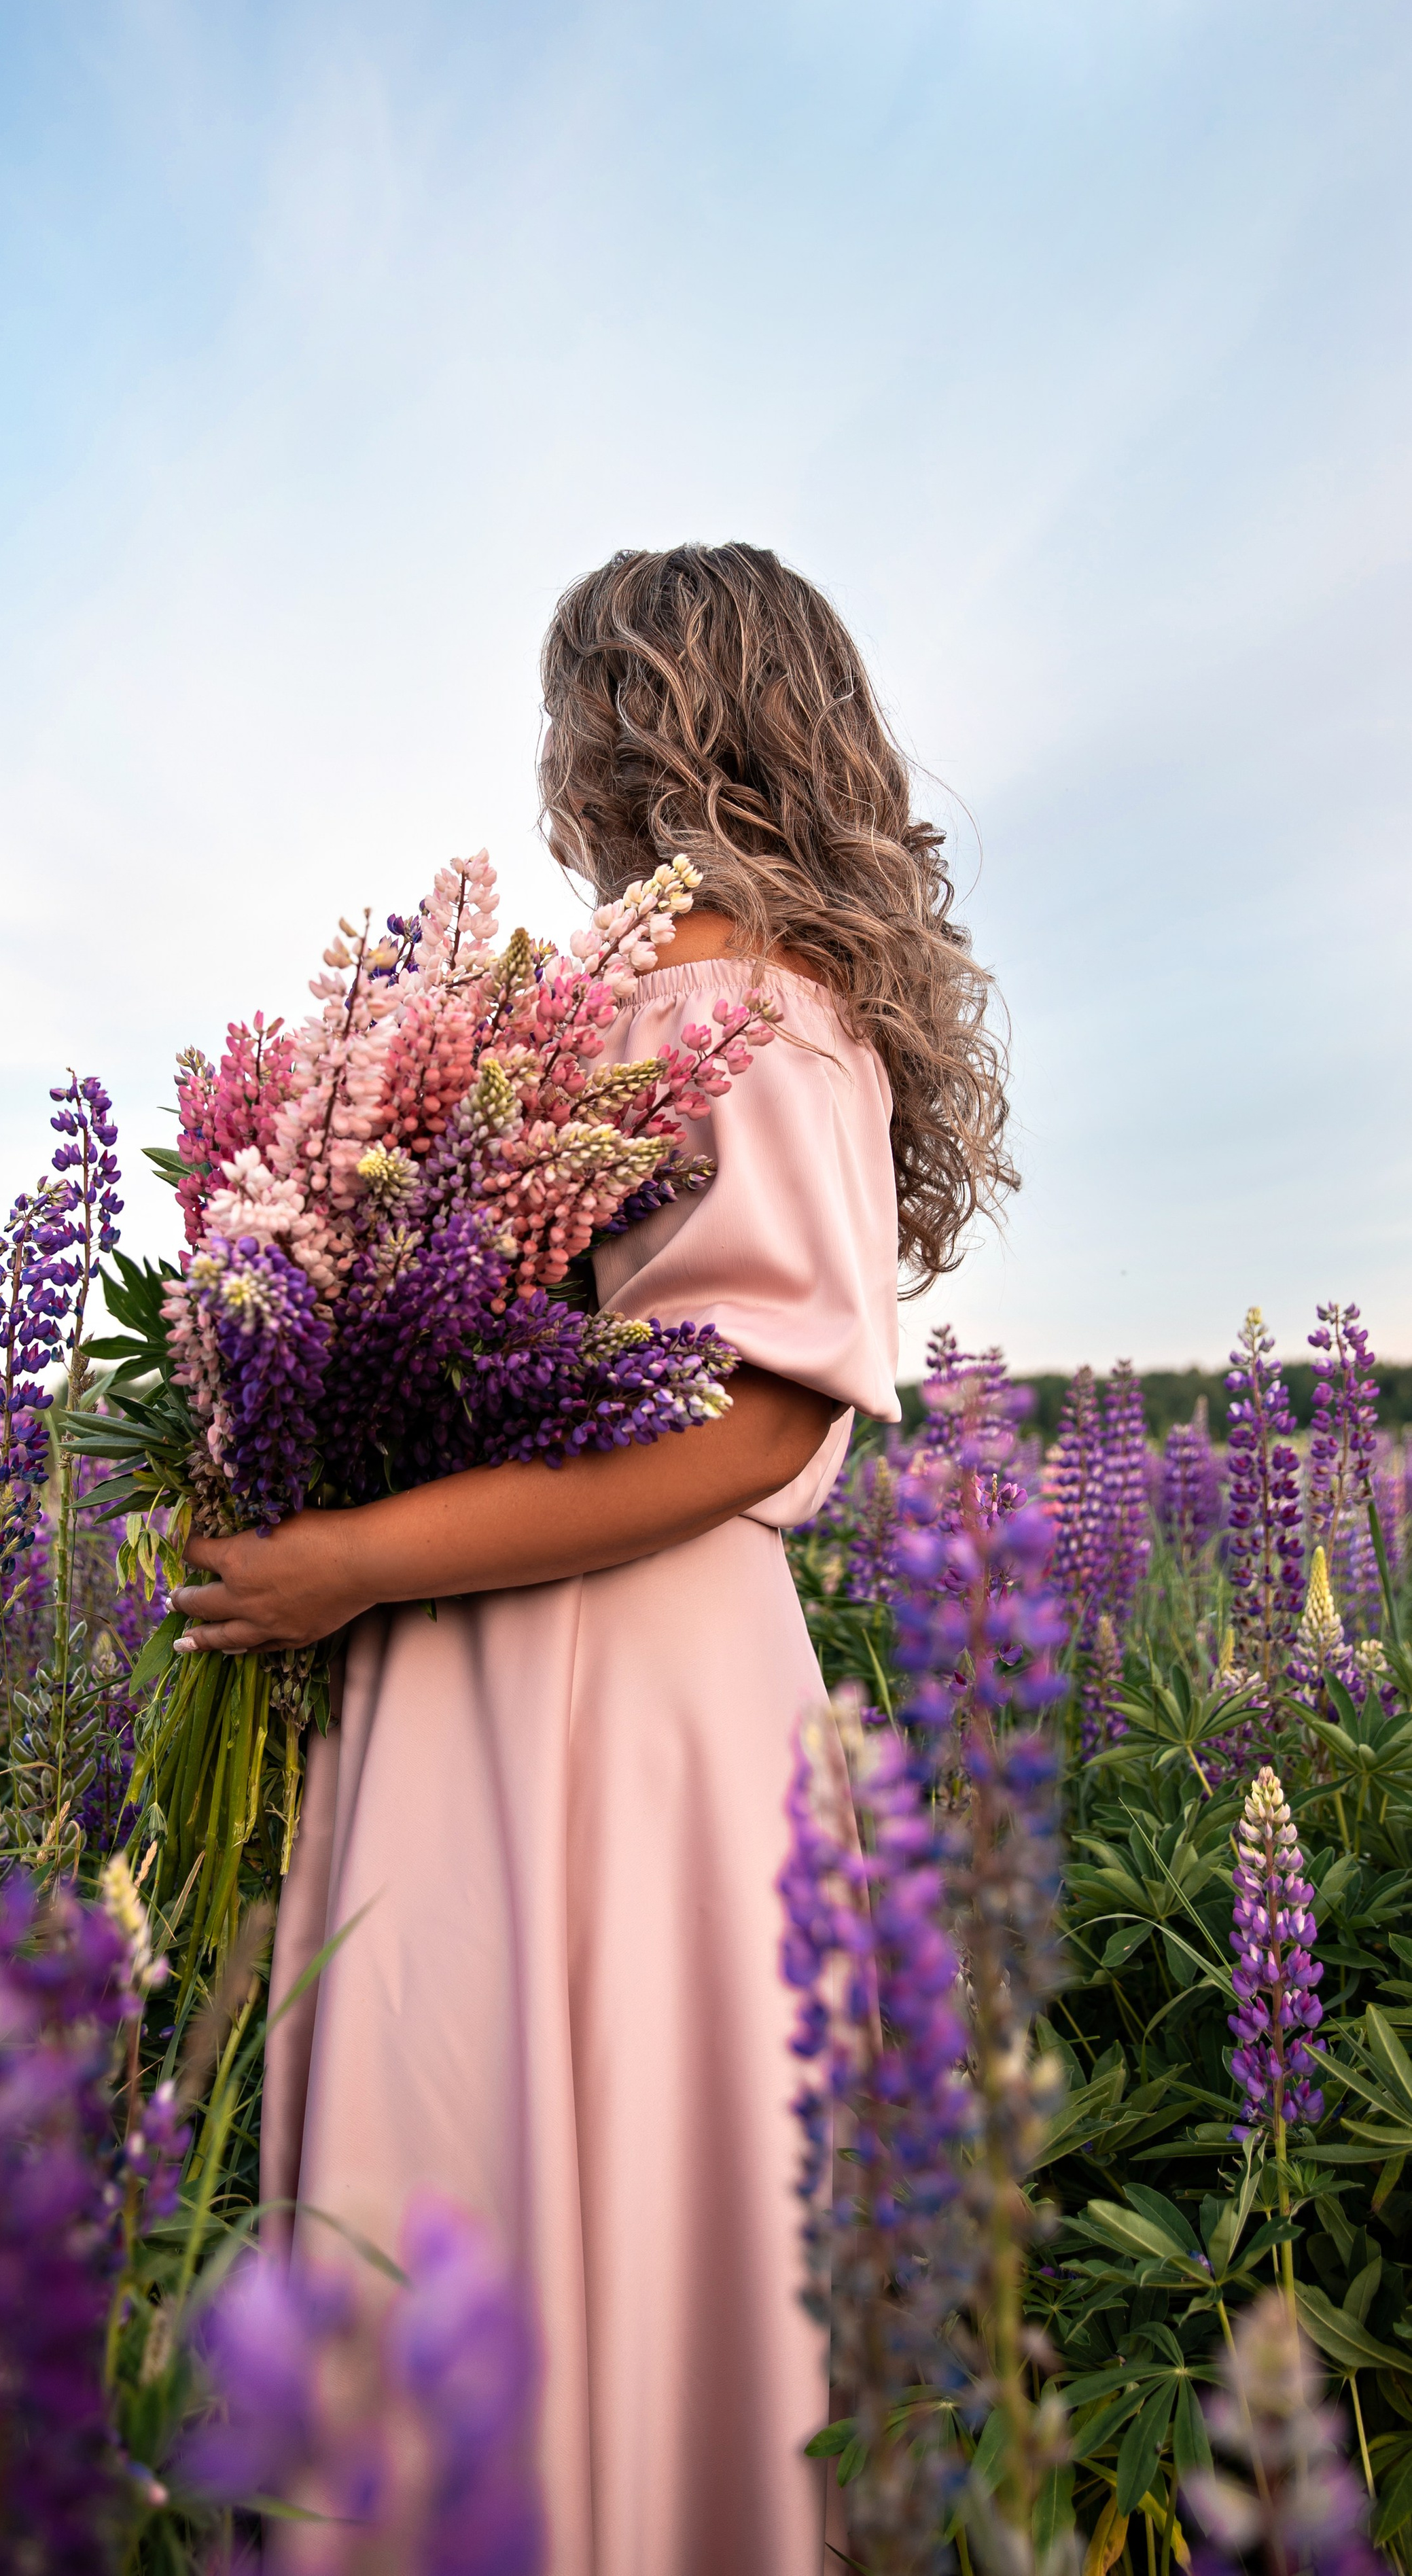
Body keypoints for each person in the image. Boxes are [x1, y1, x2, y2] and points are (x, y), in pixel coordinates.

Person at [173, 542, 1015, 2574]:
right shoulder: (654, 999)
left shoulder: (738, 1004)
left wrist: (354, 1555)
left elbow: (761, 1420)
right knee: (550, 2152)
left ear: (639, 725)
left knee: (495, 2131)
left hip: (589, 1667)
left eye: (581, 712)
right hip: (562, 1654)